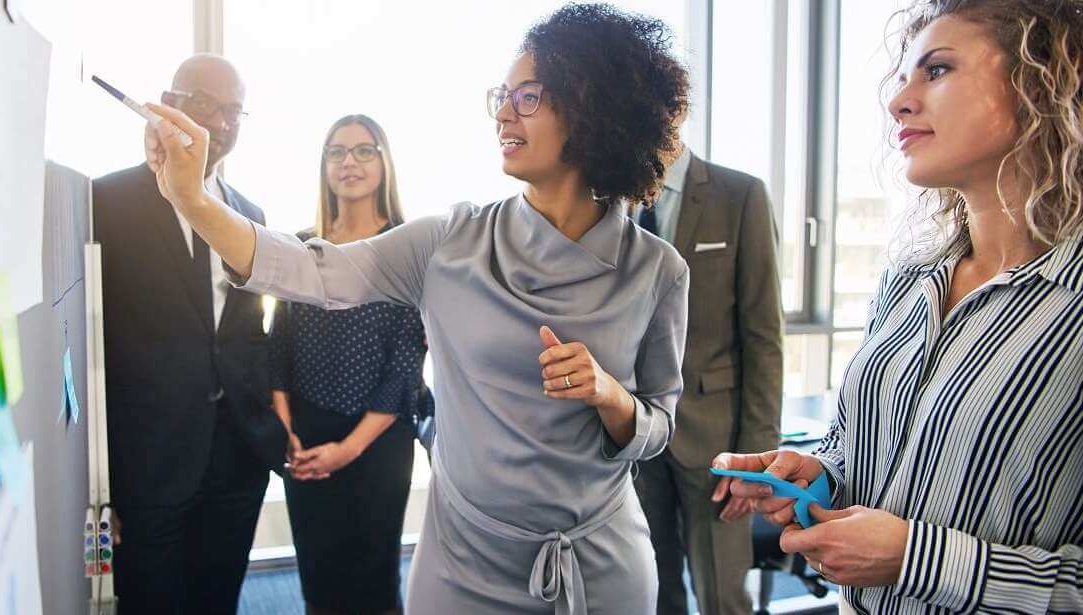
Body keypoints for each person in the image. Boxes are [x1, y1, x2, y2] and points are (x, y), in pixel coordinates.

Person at [144, 4, 691, 613]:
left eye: (528, 97)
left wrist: (609, 395)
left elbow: (658, 427)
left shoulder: (658, 271)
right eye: (501, 96)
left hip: (599, 567)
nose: (505, 113)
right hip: (463, 565)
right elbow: (306, 269)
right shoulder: (448, 242)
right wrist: (192, 201)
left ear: (592, 107)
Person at [712, 1, 1083, 613]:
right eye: (906, 77)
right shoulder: (908, 281)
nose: (898, 102)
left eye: (936, 71)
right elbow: (860, 449)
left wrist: (919, 558)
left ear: (1039, 81)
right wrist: (821, 475)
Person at [94, 54, 286, 615]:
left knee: (217, 600)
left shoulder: (250, 214)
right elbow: (97, 348)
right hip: (149, 462)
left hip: (237, 456)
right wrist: (106, 482)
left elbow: (246, 333)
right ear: (169, 102)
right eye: (205, 104)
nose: (221, 124)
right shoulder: (108, 202)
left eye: (233, 112)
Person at [269, 114, 428, 615]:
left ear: (384, 162)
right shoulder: (301, 245)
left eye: (364, 150)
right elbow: (279, 342)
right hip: (306, 433)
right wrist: (285, 431)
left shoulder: (408, 247)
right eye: (337, 152)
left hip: (378, 440)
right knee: (318, 576)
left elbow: (406, 362)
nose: (349, 162)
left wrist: (348, 449)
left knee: (373, 582)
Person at [632, 147, 783, 614]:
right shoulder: (610, 197)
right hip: (633, 434)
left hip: (717, 441)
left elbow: (763, 338)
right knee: (651, 592)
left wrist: (755, 458)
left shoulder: (740, 195)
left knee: (722, 598)